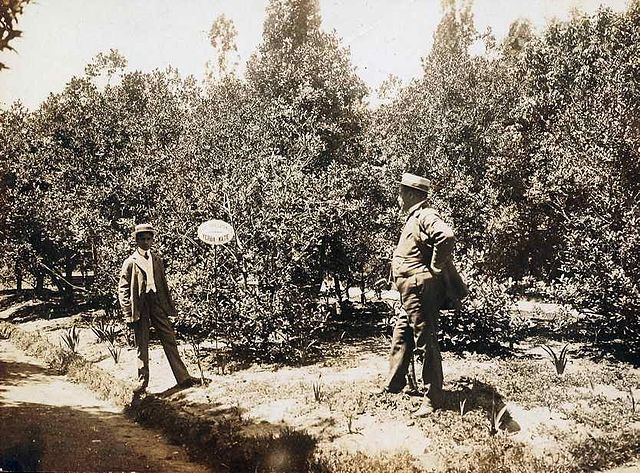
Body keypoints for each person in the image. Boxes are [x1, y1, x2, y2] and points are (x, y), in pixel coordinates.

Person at [382, 173, 468, 416]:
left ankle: (433, 398)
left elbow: (446, 236)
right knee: (402, 333)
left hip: (419, 289)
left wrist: (436, 267)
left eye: (401, 193)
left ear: (410, 194)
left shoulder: (425, 215)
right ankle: (394, 384)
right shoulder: (414, 217)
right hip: (410, 290)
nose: (398, 198)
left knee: (425, 341)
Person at [118, 223, 200, 394]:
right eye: (142, 239)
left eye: (149, 239)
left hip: (156, 302)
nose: (146, 242)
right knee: (142, 344)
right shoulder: (130, 262)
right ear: (136, 240)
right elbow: (123, 288)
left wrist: (167, 305)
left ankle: (183, 378)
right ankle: (142, 382)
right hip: (140, 305)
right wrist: (128, 312)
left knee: (169, 337)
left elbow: (162, 283)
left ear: (152, 240)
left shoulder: (156, 259)